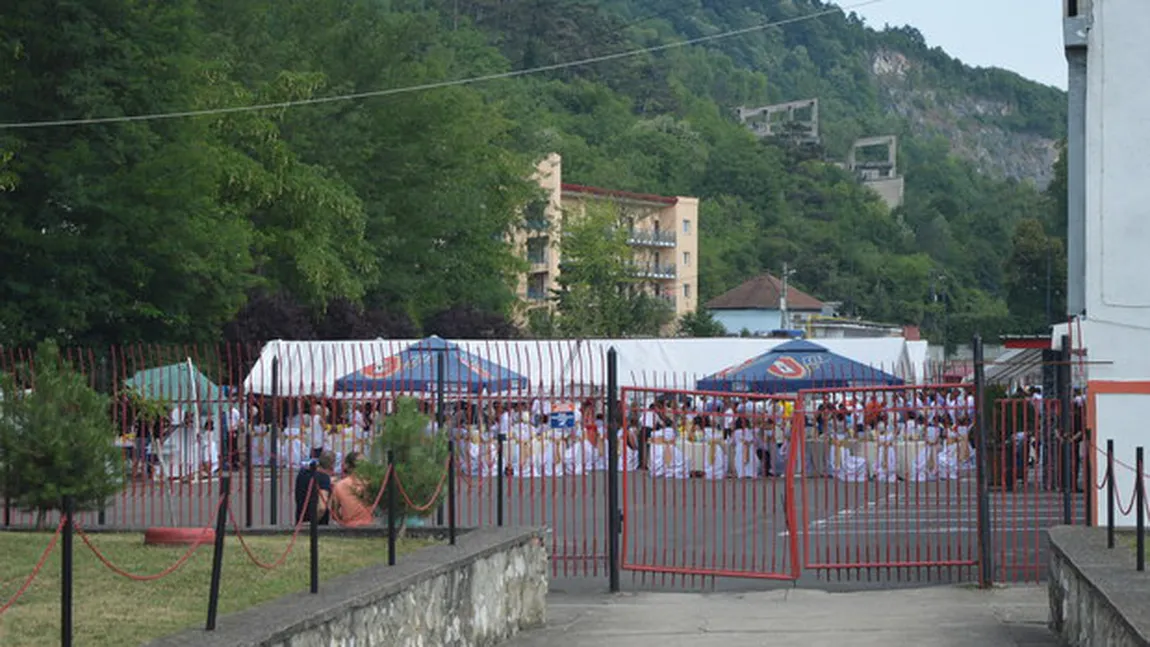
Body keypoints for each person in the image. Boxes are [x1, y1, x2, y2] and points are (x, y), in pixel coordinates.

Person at [330, 452, 374, 527]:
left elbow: (334, 514)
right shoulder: (370, 483)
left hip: (349, 526)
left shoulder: (339, 486)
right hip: (369, 525)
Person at [294, 450, 334, 525]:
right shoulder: (324, 479)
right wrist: (313, 523)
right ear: (332, 466)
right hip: (317, 525)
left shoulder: (303, 473)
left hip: (301, 519)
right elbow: (322, 507)